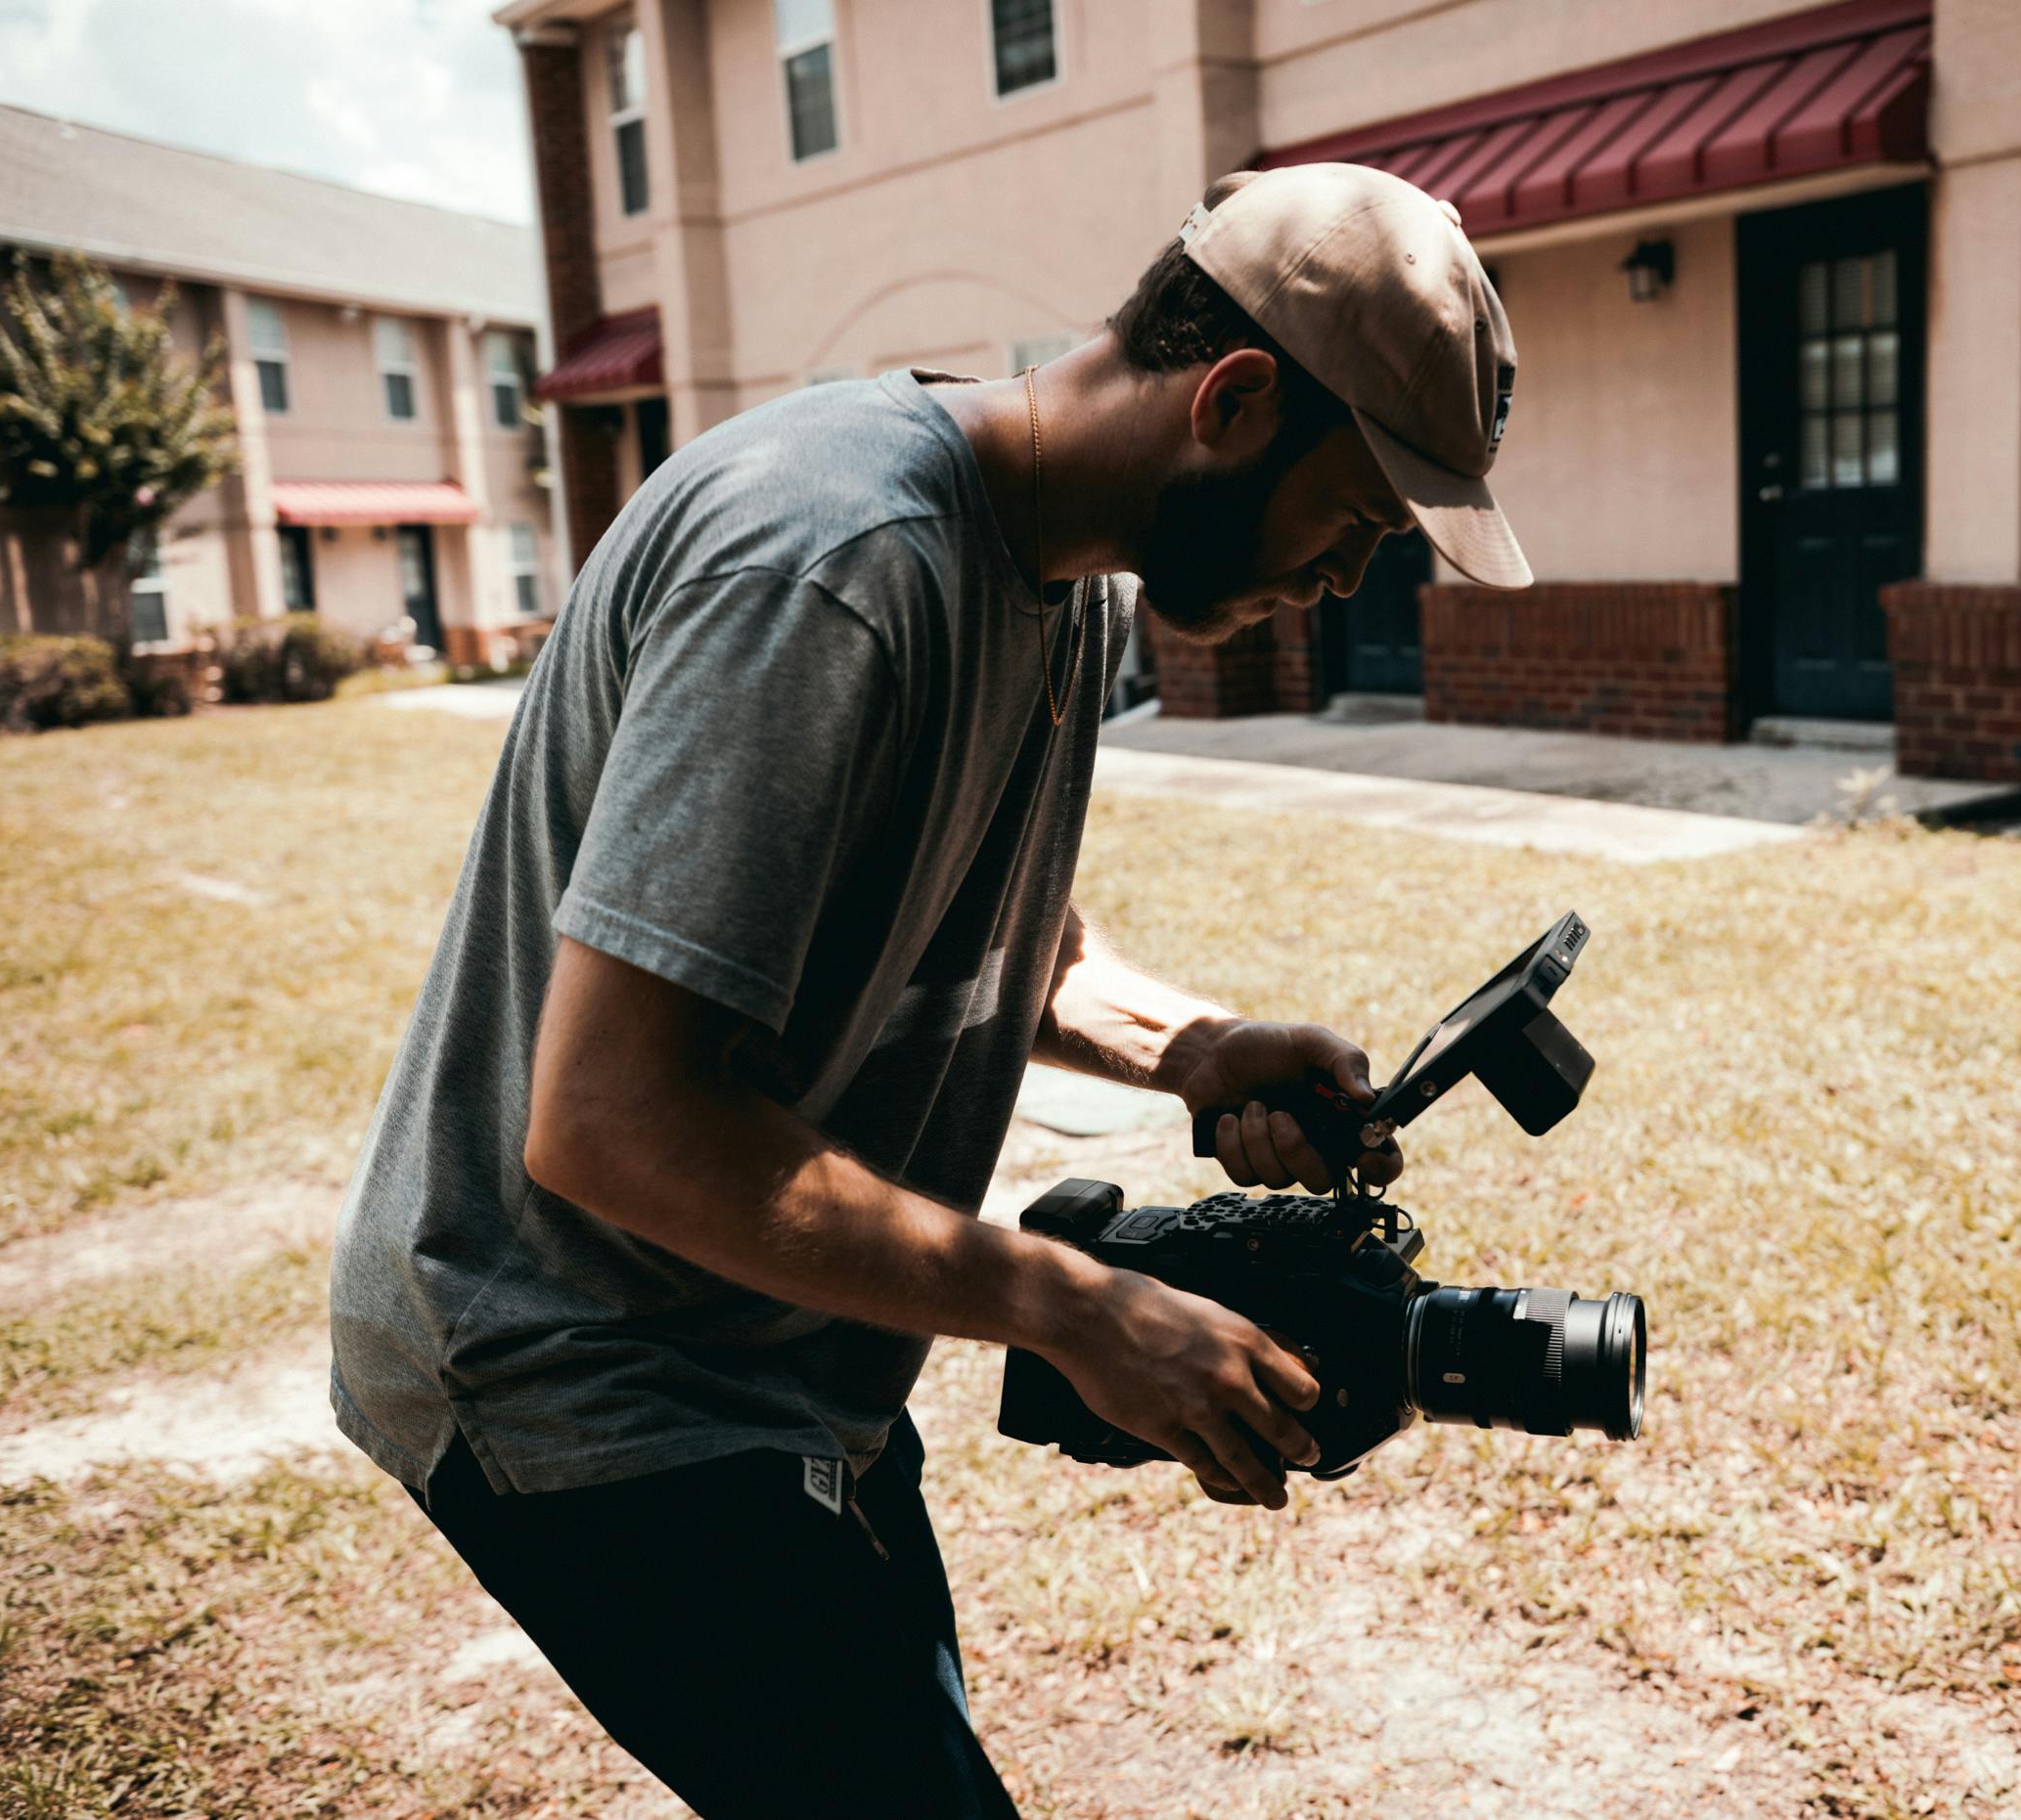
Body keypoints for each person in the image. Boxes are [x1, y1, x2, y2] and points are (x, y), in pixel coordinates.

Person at [328, 162, 1528, 1818]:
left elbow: (1000, 936)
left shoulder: (1061, 582)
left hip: (780, 1350)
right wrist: (1070, 1304)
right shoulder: (830, 566)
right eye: (1359, 525)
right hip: (573, 1354)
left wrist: (1194, 1046)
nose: (1344, 583)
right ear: (1237, 401)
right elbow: (608, 1116)